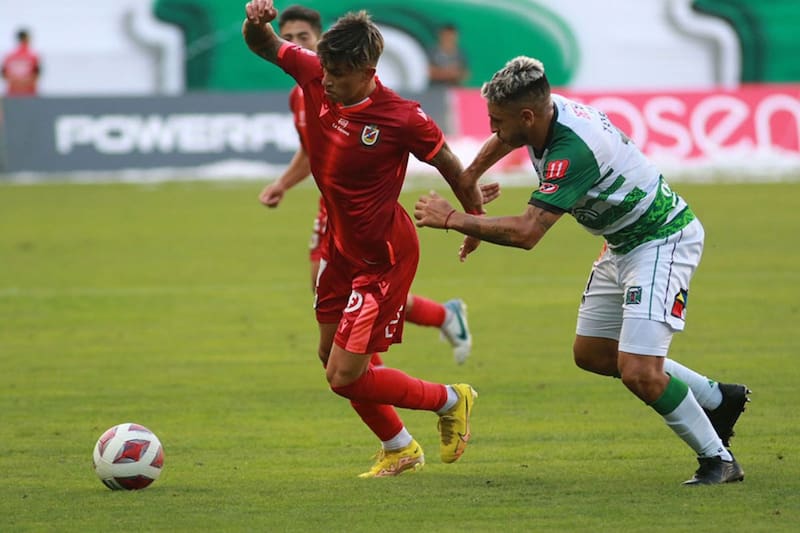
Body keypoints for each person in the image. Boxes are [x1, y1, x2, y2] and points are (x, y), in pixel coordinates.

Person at [414, 56, 750, 485]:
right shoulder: (543, 117)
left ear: (527, 116)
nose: (492, 129)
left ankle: (718, 460)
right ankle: (717, 398)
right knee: (592, 353)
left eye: (497, 120)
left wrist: (452, 218)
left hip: (661, 241)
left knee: (640, 372)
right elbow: (506, 141)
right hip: (620, 243)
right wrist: (471, 180)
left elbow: (527, 232)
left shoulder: (573, 151)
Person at [243, 0, 485, 478]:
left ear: (368, 70)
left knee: (343, 376)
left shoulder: (402, 117)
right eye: (325, 69)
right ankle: (399, 447)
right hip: (340, 246)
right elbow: (266, 45)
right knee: (327, 354)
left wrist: (472, 219)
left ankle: (452, 399)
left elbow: (451, 165)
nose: (327, 81)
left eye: (338, 74)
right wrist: (255, 24)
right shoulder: (314, 73)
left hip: (383, 257)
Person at [2, 28, 40, 97]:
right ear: (27, 39)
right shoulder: (33, 56)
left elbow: (4, 74)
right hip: (29, 93)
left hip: (12, 93)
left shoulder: (9, 56)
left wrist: (16, 82)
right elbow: (36, 74)